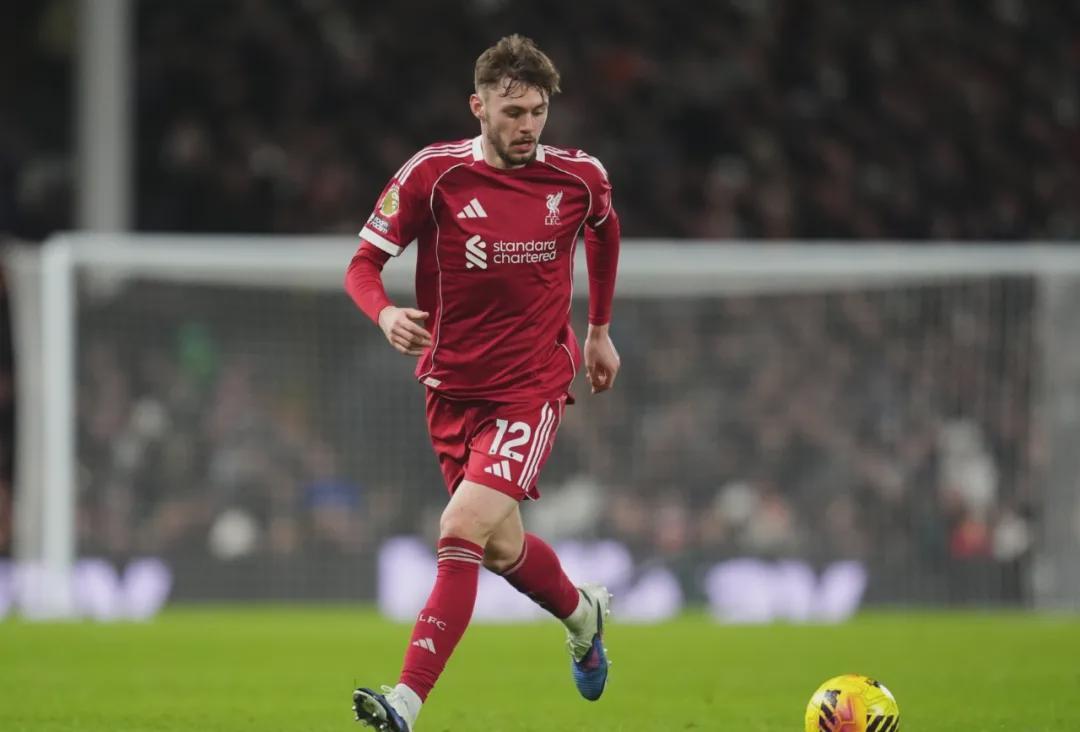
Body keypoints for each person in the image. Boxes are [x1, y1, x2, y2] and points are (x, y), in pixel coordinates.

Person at [344, 34, 622, 731]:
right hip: (450, 389)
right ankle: (583, 615)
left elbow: (604, 231)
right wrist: (384, 315)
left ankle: (404, 702)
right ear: (479, 107)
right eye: (512, 112)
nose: (527, 126)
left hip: (531, 387)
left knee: (460, 529)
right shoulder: (434, 175)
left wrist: (598, 330)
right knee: (499, 548)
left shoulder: (577, 178)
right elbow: (361, 266)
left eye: (538, 112)